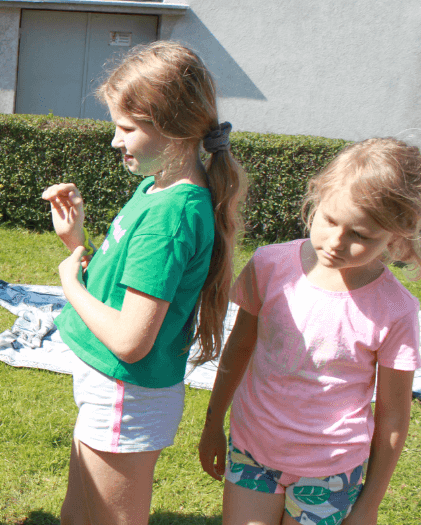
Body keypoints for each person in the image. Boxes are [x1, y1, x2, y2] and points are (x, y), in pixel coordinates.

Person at [42, 41, 246, 525]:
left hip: (125, 391)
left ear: (174, 128)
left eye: (127, 128)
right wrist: (76, 241)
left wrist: (69, 282)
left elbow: (132, 341)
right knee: (80, 514)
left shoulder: (171, 215)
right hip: (113, 386)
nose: (115, 140)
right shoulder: (155, 190)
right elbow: (123, 288)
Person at [197, 138, 421, 525]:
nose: (336, 242)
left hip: (331, 472)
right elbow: (238, 348)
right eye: (330, 219)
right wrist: (212, 424)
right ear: (317, 197)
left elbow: (393, 417)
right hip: (251, 451)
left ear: (395, 237)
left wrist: (369, 505)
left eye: (361, 236)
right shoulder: (269, 265)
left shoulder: (398, 310)